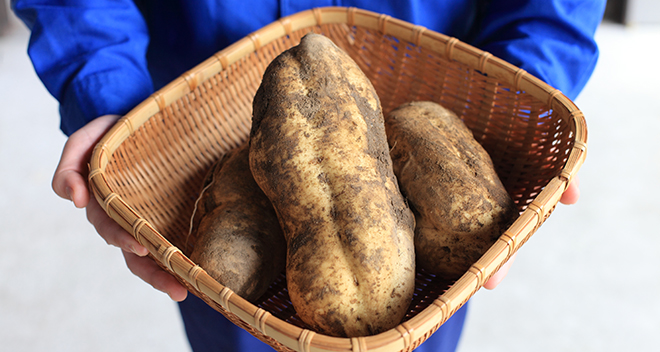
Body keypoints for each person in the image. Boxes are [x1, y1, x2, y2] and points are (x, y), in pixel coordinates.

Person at [12, 0, 602, 351]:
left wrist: (518, 90)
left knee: (424, 313)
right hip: (193, 111)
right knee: (224, 303)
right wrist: (108, 93)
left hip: (424, 67)